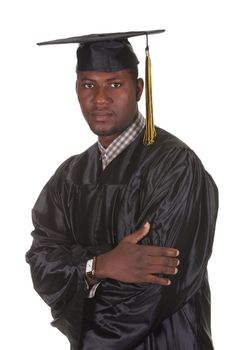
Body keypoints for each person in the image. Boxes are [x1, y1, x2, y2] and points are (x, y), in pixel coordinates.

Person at [26, 30, 218, 350]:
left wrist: (88, 339)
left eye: (115, 84)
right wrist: (99, 265)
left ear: (139, 88)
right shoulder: (70, 176)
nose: (100, 98)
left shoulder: (175, 166)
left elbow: (154, 289)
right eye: (89, 84)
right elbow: (42, 262)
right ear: (76, 89)